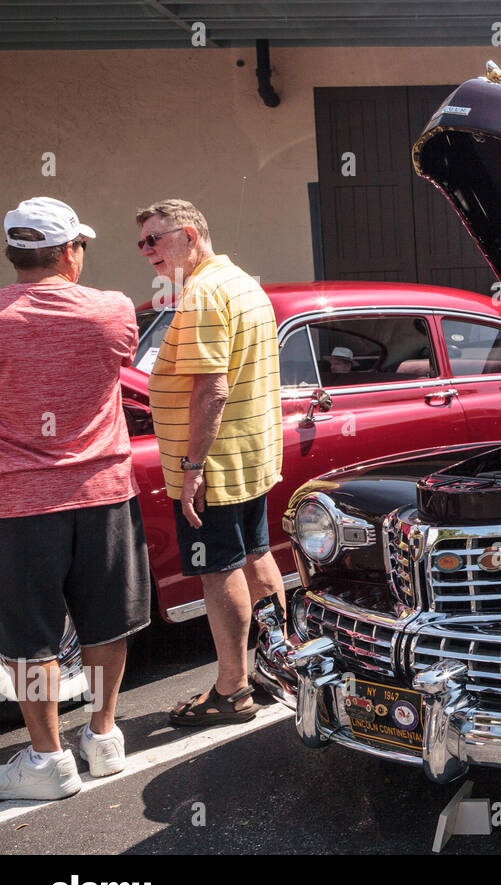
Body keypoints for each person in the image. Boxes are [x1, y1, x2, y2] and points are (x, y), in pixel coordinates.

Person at [0, 198, 149, 799]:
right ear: (68, 253)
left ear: (14, 255)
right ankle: (104, 735)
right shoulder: (112, 310)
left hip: (18, 502)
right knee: (105, 619)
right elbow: (118, 368)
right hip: (103, 490)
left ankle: (47, 758)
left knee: (29, 636)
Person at [137, 199, 285, 724]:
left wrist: (192, 466)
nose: (147, 251)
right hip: (249, 455)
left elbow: (212, 389)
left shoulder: (201, 293)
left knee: (217, 570)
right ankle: (278, 664)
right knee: (257, 556)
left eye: (156, 239)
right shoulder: (243, 282)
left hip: (214, 465)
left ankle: (233, 690)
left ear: (191, 235)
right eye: (142, 242)